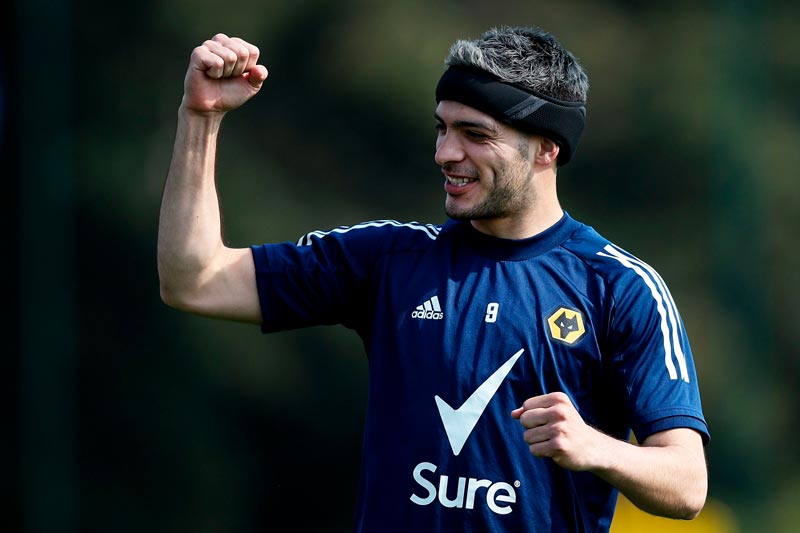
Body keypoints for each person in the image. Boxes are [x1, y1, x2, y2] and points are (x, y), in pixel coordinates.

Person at [158, 27, 709, 532]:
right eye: (442, 128)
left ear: (547, 148)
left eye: (475, 134)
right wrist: (200, 118)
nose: (446, 152)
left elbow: (687, 484)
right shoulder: (390, 258)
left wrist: (597, 448)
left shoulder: (619, 288)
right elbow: (194, 279)